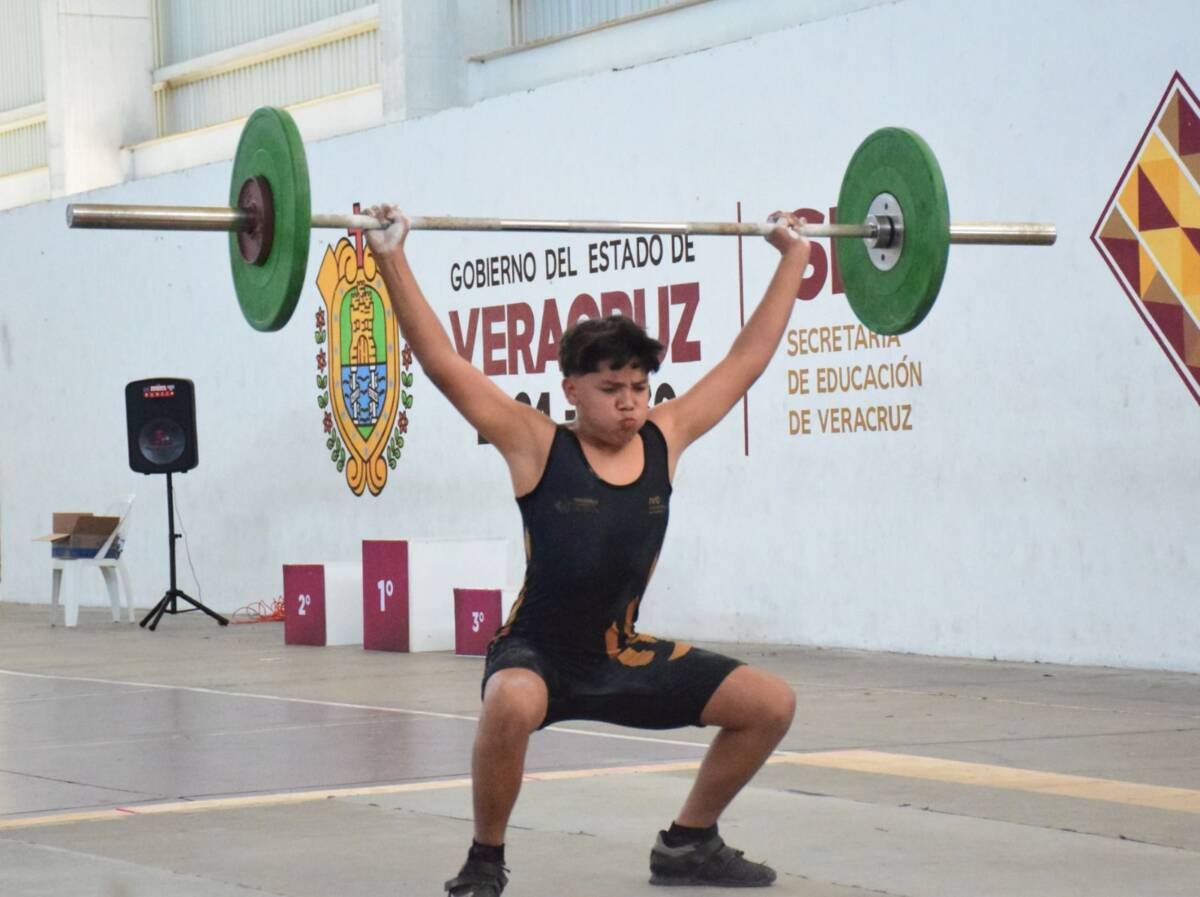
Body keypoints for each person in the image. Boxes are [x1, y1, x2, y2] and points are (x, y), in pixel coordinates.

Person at [365, 205, 811, 895]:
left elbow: (745, 360)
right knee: (510, 703)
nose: (629, 403)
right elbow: (443, 363)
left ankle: (688, 844)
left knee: (770, 703)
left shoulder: (666, 436)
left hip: (618, 652)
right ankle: (485, 859)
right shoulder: (536, 443)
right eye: (610, 389)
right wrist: (391, 256)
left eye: (638, 387)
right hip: (537, 653)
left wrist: (794, 257)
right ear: (571, 389)